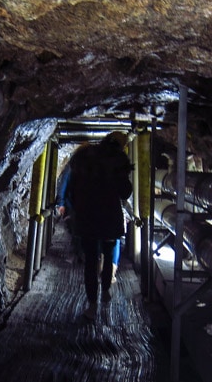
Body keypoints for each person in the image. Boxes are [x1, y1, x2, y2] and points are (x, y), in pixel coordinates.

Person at [67, 131, 133, 319]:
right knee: (108, 253)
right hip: (109, 217)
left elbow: (73, 188)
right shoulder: (118, 159)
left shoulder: (86, 155)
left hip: (87, 217)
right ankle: (105, 291)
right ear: (121, 145)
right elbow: (125, 192)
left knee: (90, 260)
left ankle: (92, 305)